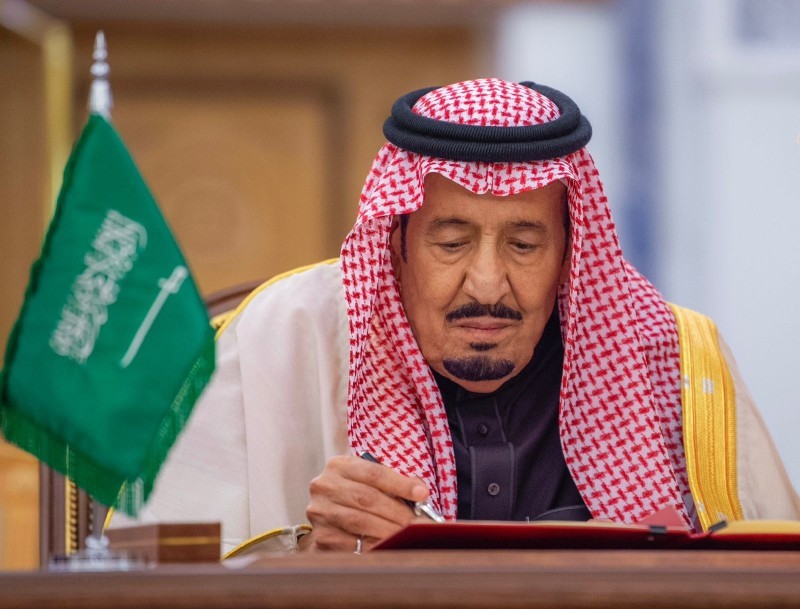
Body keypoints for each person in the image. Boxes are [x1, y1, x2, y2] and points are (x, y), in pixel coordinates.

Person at [112, 78, 799, 555]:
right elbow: (143, 573)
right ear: (398, 242)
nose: (488, 282)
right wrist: (313, 555)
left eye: (524, 245)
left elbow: (765, 575)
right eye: (451, 242)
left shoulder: (672, 358)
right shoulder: (278, 337)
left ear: (570, 254)